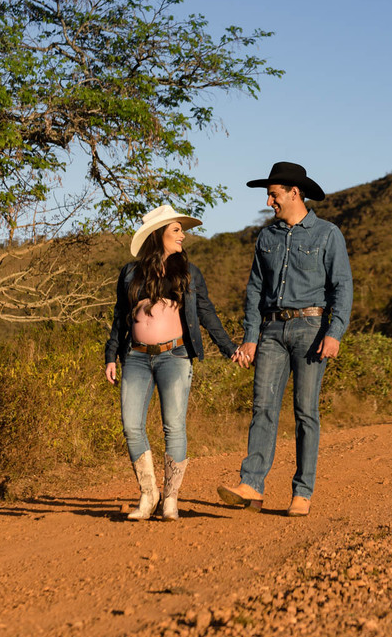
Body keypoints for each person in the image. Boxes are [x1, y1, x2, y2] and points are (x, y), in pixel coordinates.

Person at [218, 162, 353, 517]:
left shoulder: (327, 234)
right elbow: (254, 291)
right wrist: (249, 337)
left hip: (311, 329)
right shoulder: (267, 237)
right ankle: (252, 486)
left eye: (273, 193)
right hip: (271, 332)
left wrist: (334, 332)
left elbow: (342, 287)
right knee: (263, 408)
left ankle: (302, 492)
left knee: (305, 412)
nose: (268, 200)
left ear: (295, 193)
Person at [105, 205, 238, 520]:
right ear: (158, 234)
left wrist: (228, 347)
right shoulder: (129, 273)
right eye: (176, 229)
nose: (183, 235)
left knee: (174, 426)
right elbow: (119, 320)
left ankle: (171, 499)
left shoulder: (189, 272)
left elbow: (206, 313)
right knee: (131, 426)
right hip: (135, 356)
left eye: (181, 229)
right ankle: (148, 495)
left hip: (175, 355)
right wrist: (111, 355)